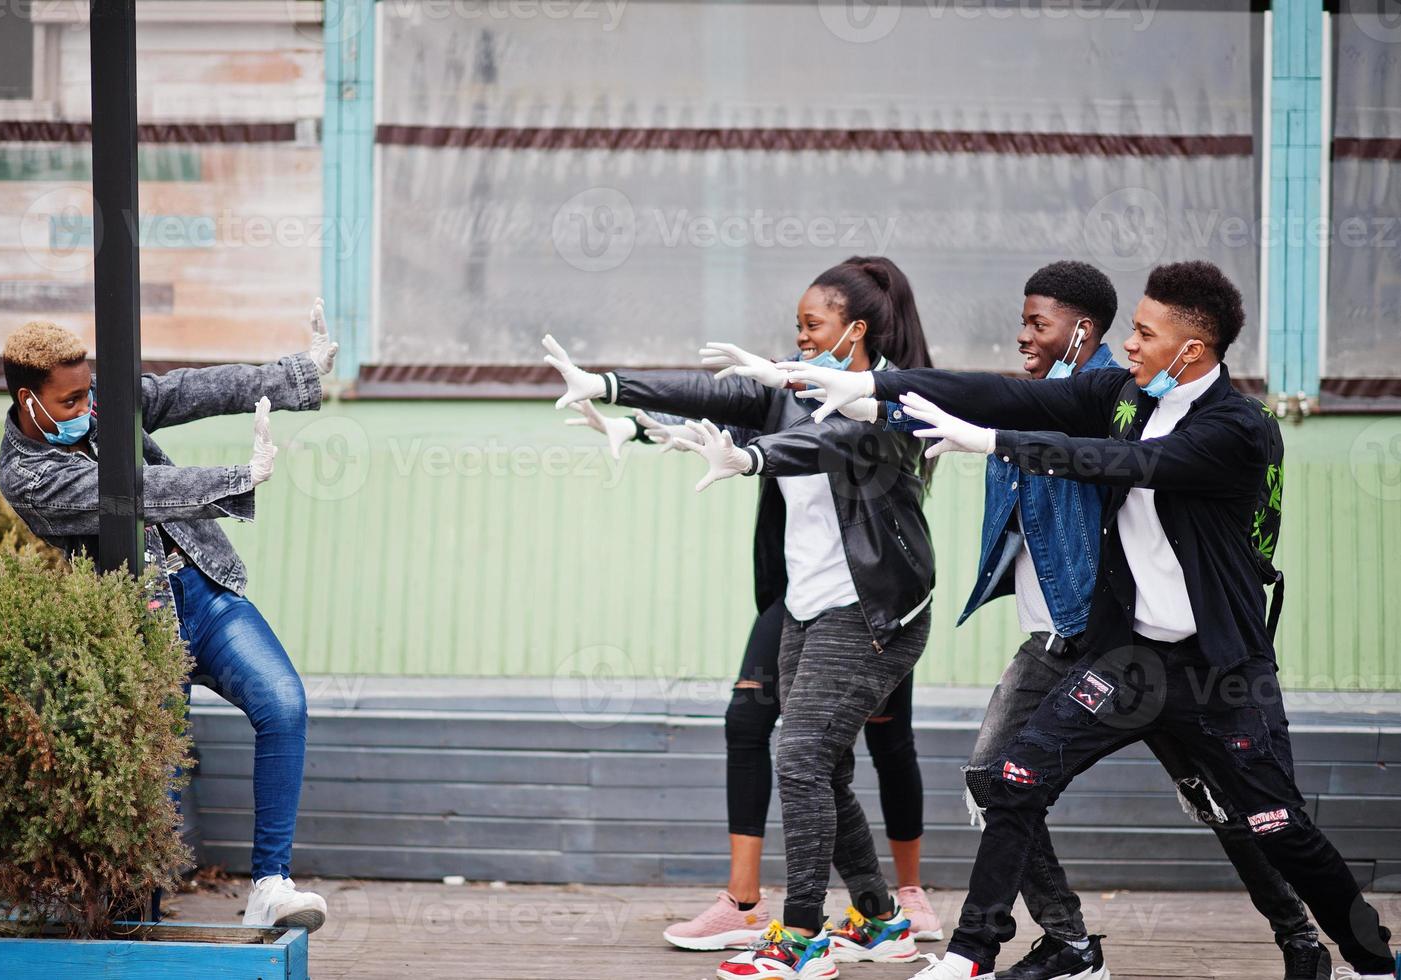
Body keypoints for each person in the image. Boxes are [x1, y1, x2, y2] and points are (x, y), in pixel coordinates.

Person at [779, 261, 1396, 979]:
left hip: (1221, 671)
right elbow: (1002, 393)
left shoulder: (1238, 427)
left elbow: (1124, 465)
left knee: (1275, 826)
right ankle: (972, 953)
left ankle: (1370, 958)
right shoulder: (1123, 394)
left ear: (1190, 350)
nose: (1127, 345)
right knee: (1012, 777)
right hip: (1134, 661)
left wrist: (994, 443)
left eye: (1142, 332)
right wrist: (874, 386)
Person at [546, 256, 938, 979]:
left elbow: (830, 446)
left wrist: (753, 459)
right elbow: (706, 393)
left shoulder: (892, 400)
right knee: (821, 767)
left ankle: (801, 938)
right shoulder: (788, 387)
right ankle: (882, 923)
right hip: (809, 604)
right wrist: (610, 390)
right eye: (794, 327)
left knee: (798, 759)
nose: (798, 339)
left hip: (876, 610)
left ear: (854, 331)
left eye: (812, 326)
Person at [945, 260, 1323, 980]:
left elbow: (1236, 527)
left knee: (1228, 804)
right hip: (1061, 642)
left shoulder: (1130, 407)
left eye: (1037, 323)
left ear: (1080, 329)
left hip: (1144, 647)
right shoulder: (1044, 400)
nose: (1022, 336)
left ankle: (1299, 937)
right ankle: (1067, 940)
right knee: (997, 776)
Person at [0, 302, 335, 933]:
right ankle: (135, 931)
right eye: (68, 401)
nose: (85, 408)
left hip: (203, 592)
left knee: (283, 703)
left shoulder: (94, 403)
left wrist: (296, 377)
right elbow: (128, 495)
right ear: (27, 398)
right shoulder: (26, 475)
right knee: (160, 785)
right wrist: (240, 476)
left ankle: (268, 885)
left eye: (88, 392)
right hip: (136, 624)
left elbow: (186, 390)